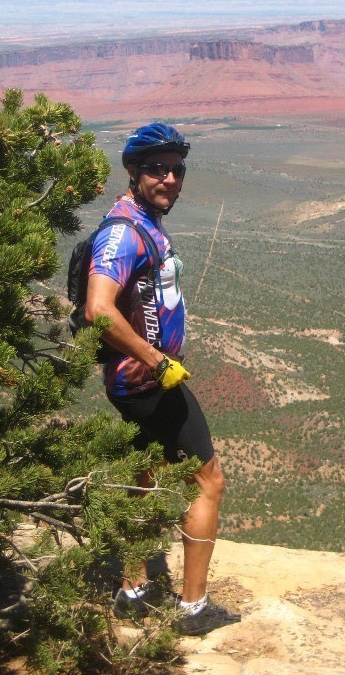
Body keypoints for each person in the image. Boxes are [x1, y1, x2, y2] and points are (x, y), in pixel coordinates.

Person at [84, 122, 240, 635]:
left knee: (143, 476)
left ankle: (133, 590)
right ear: (133, 171)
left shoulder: (142, 219)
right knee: (208, 480)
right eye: (157, 169)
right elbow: (98, 310)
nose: (169, 179)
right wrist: (156, 360)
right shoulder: (124, 232)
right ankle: (192, 610)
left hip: (137, 383)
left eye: (176, 169)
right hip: (149, 385)